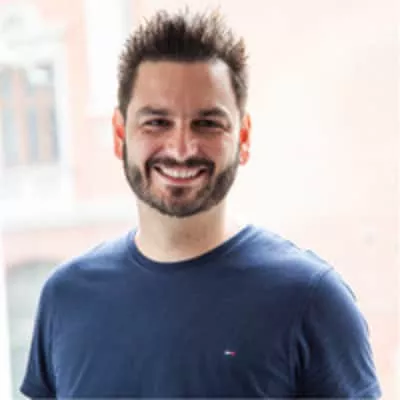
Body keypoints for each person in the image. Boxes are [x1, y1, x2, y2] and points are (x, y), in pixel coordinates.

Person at [21, 9, 381, 399]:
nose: (181, 149)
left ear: (243, 138)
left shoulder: (311, 300)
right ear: (120, 135)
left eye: (207, 123)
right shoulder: (65, 297)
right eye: (157, 122)